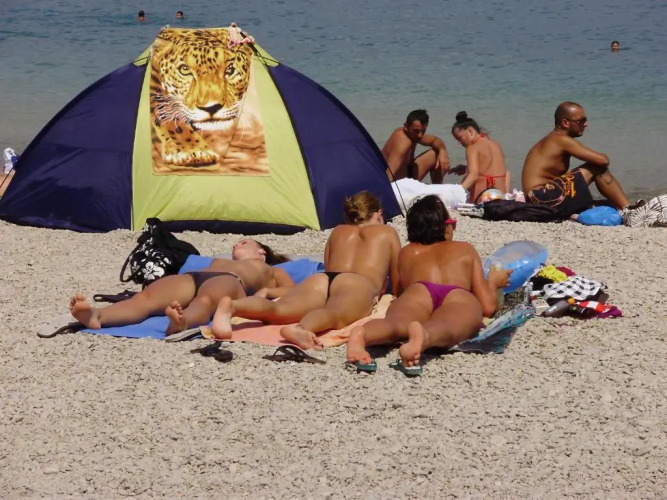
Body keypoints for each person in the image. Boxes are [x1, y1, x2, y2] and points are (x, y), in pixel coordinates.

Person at [210, 191, 401, 348]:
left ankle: (233, 306)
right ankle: (301, 329)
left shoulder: (338, 231)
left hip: (323, 279)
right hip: (357, 283)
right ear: (379, 213)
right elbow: (397, 280)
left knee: (279, 309)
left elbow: (329, 266)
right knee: (334, 313)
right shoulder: (388, 232)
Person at [346, 194, 511, 371]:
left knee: (395, 324)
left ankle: (362, 334)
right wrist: (493, 282)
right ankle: (424, 336)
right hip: (455, 294)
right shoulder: (464, 249)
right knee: (448, 325)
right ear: (444, 227)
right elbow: (487, 307)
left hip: (418, 291)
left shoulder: (407, 253)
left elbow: (399, 291)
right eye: (451, 223)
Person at [69, 239, 294, 335]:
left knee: (205, 302)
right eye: (235, 244)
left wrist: (267, 292)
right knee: (144, 298)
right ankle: (98, 316)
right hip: (193, 277)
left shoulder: (271, 270)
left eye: (244, 242)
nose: (236, 245)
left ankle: (182, 322)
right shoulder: (219, 259)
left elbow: (292, 292)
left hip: (230, 280)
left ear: (261, 251)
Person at [522, 101, 641, 219]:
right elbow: (603, 160)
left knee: (609, 203)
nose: (585, 124)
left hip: (538, 199)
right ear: (565, 123)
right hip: (542, 197)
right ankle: (630, 211)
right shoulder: (561, 139)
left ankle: (625, 208)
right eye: (581, 121)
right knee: (597, 167)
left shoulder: (553, 138)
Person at [450, 111, 510, 204]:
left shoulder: (472, 147)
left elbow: (473, 175)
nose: (459, 143)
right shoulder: (495, 144)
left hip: (484, 198)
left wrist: (456, 192)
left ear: (470, 131)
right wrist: (466, 168)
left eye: (460, 138)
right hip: (501, 196)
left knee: (466, 180)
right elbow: (498, 170)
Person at [382, 109, 451, 184]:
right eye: (416, 131)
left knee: (436, 153)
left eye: (423, 131)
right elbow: (389, 174)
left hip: (408, 173)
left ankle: (437, 188)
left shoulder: (412, 135)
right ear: (406, 126)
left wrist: (443, 152)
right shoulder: (403, 142)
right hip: (398, 183)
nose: (420, 135)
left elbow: (435, 141)